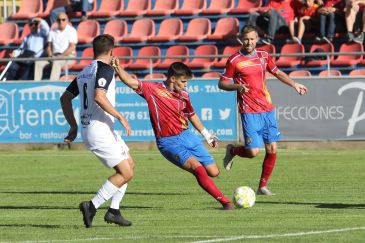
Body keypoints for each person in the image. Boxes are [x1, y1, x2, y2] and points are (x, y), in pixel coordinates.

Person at [112, 61, 235, 210]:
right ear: (172, 79)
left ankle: (214, 187)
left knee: (214, 172)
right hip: (168, 142)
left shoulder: (184, 95)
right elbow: (129, 81)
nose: (185, 85)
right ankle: (225, 202)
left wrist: (206, 135)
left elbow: (192, 114)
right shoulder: (152, 89)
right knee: (198, 169)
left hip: (187, 136)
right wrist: (117, 67)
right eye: (183, 81)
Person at [218, 25, 308, 196]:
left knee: (272, 149)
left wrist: (295, 84)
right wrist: (237, 86)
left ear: (257, 39)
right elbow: (221, 84)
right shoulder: (234, 60)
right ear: (240, 39)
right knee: (252, 152)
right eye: (246, 39)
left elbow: (278, 73)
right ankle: (233, 150)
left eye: (252, 39)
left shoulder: (264, 56)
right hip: (249, 110)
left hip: (267, 108)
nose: (249, 42)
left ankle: (262, 186)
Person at [60, 34, 134, 228]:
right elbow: (99, 96)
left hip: (99, 128)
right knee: (126, 173)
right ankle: (92, 205)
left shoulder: (85, 71)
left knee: (129, 165)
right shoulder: (105, 69)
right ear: (112, 52)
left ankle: (114, 211)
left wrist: (73, 126)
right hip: (98, 130)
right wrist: (120, 116)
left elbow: (65, 98)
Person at [34, 12, 77, 81]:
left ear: (67, 20)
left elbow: (72, 47)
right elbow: (49, 46)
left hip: (68, 56)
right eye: (59, 20)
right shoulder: (52, 31)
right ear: (56, 21)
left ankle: (53, 83)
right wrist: (50, 55)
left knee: (57, 62)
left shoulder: (72, 31)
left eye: (63, 19)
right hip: (54, 56)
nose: (61, 21)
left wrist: (61, 56)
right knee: (38, 62)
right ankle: (35, 84)